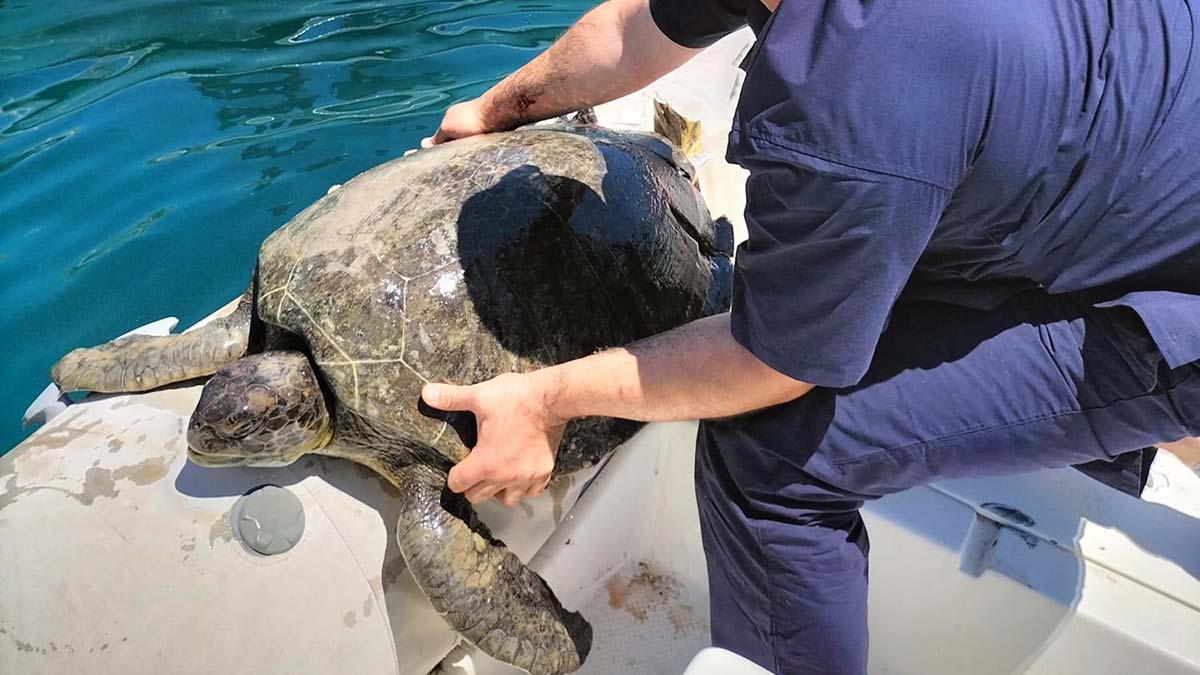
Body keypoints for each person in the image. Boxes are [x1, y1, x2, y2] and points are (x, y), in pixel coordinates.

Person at [418, 0, 1200, 672]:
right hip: (1142, 152)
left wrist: (546, 401)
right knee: (884, 266)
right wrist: (494, 110)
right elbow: (634, 29)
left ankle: (1156, 397)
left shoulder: (860, 93)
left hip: (1175, 291)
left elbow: (771, 363)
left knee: (767, 450)